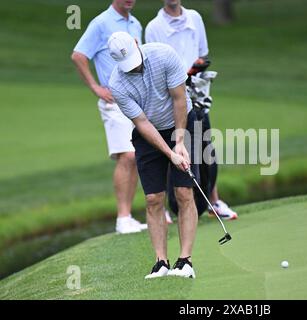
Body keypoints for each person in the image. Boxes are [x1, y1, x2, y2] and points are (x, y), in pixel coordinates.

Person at [71, 0, 170, 234]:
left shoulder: (135, 23)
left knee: (142, 154)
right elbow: (78, 55)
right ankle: (123, 217)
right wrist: (96, 87)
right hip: (113, 100)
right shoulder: (101, 23)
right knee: (127, 155)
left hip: (136, 99)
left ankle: (155, 209)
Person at [107, 31, 199, 279]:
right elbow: (142, 122)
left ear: (137, 43)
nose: (134, 68)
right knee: (153, 199)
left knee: (183, 192)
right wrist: (170, 153)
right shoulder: (117, 84)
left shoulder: (163, 55)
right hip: (149, 133)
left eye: (135, 61)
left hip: (183, 124)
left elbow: (179, 99)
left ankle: (185, 261)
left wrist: (179, 142)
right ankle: (161, 262)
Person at [145, 0, 238, 220]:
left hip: (196, 94)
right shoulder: (154, 27)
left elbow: (203, 54)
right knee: (175, 151)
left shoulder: (195, 18)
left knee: (206, 148)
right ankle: (167, 208)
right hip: (172, 98)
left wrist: (196, 68)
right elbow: (154, 67)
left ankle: (213, 201)